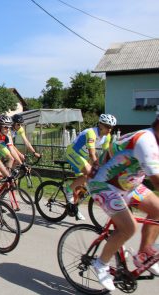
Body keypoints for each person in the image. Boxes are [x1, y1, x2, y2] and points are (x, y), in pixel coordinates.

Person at [88, 116, 159, 291]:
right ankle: (101, 264)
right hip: (102, 184)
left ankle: (143, 254)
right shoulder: (146, 141)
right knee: (129, 228)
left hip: (128, 184)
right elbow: (157, 179)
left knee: (158, 210)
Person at [65, 114, 117, 221]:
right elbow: (92, 155)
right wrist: (100, 168)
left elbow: (107, 153)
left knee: (83, 186)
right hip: (73, 153)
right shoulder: (91, 133)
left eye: (112, 127)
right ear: (100, 125)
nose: (110, 129)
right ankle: (68, 190)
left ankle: (74, 208)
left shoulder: (107, 136)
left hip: (82, 157)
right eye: (108, 126)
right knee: (90, 172)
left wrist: (114, 165)